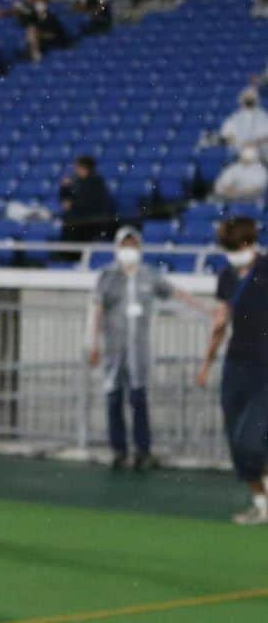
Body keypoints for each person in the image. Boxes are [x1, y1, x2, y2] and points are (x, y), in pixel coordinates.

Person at [88, 227, 207, 471]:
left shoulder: (149, 275)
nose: (129, 251)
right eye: (125, 246)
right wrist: (94, 342)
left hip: (138, 351)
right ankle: (118, 450)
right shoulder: (107, 276)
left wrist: (206, 309)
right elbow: (97, 309)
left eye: (133, 245)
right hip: (114, 350)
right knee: (114, 399)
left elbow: (175, 293)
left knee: (138, 398)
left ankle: (143, 450)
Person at [197, 217, 268, 524]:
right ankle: (261, 502)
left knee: (253, 438)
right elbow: (221, 323)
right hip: (236, 363)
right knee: (235, 439)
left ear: (248, 243)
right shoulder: (226, 275)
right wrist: (206, 364)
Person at [60, 155, 116, 244]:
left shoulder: (96, 182)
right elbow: (66, 202)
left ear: (84, 168)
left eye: (77, 167)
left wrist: (71, 204)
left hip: (91, 223)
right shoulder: (78, 182)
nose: (75, 170)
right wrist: (65, 188)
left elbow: (90, 204)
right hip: (80, 222)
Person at [219, 88, 268, 158]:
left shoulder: (264, 116)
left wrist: (253, 144)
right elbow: (226, 135)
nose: (249, 100)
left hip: (261, 155)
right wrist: (240, 143)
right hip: (238, 155)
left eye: (251, 98)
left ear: (256, 100)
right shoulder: (234, 117)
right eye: (247, 98)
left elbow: (266, 136)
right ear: (241, 100)